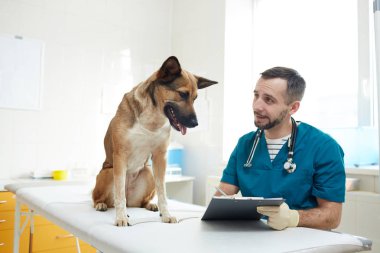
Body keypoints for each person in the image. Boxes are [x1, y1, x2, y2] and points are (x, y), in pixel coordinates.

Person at [216, 66, 345, 231]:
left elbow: (332, 216)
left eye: (268, 100)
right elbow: (223, 194)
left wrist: (293, 217)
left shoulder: (324, 147)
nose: (257, 106)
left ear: (293, 108)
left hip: (303, 241)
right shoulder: (245, 144)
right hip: (253, 239)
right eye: (256, 96)